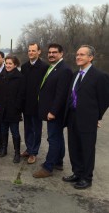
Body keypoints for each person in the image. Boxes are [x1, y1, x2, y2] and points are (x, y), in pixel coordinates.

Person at [62, 45, 109, 189]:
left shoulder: (99, 76)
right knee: (74, 146)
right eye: (77, 54)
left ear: (91, 57)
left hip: (88, 119)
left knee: (87, 149)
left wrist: (96, 116)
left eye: (82, 55)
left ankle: (86, 178)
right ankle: (77, 172)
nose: (78, 57)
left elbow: (104, 99)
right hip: (72, 117)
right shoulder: (76, 74)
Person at [33, 43, 72, 178]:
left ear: (61, 54)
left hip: (55, 112)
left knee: (53, 138)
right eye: (49, 52)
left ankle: (48, 167)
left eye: (54, 52)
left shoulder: (64, 70)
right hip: (51, 111)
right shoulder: (53, 67)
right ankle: (58, 162)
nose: (51, 54)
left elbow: (61, 94)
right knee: (58, 137)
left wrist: (53, 111)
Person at [0, 55, 25, 162]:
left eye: (10, 63)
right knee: (3, 131)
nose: (8, 65)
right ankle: (4, 149)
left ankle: (17, 153)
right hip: (2, 109)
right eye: (7, 63)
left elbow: (21, 95)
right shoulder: (1, 75)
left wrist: (17, 108)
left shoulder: (19, 77)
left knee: (15, 133)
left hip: (13, 111)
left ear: (15, 65)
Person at [21, 43, 48, 164]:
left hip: (38, 104)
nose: (31, 53)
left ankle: (34, 152)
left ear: (39, 52)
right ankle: (29, 148)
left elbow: (46, 87)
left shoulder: (44, 67)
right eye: (29, 51)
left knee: (36, 129)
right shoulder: (24, 67)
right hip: (26, 103)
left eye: (33, 50)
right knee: (27, 128)